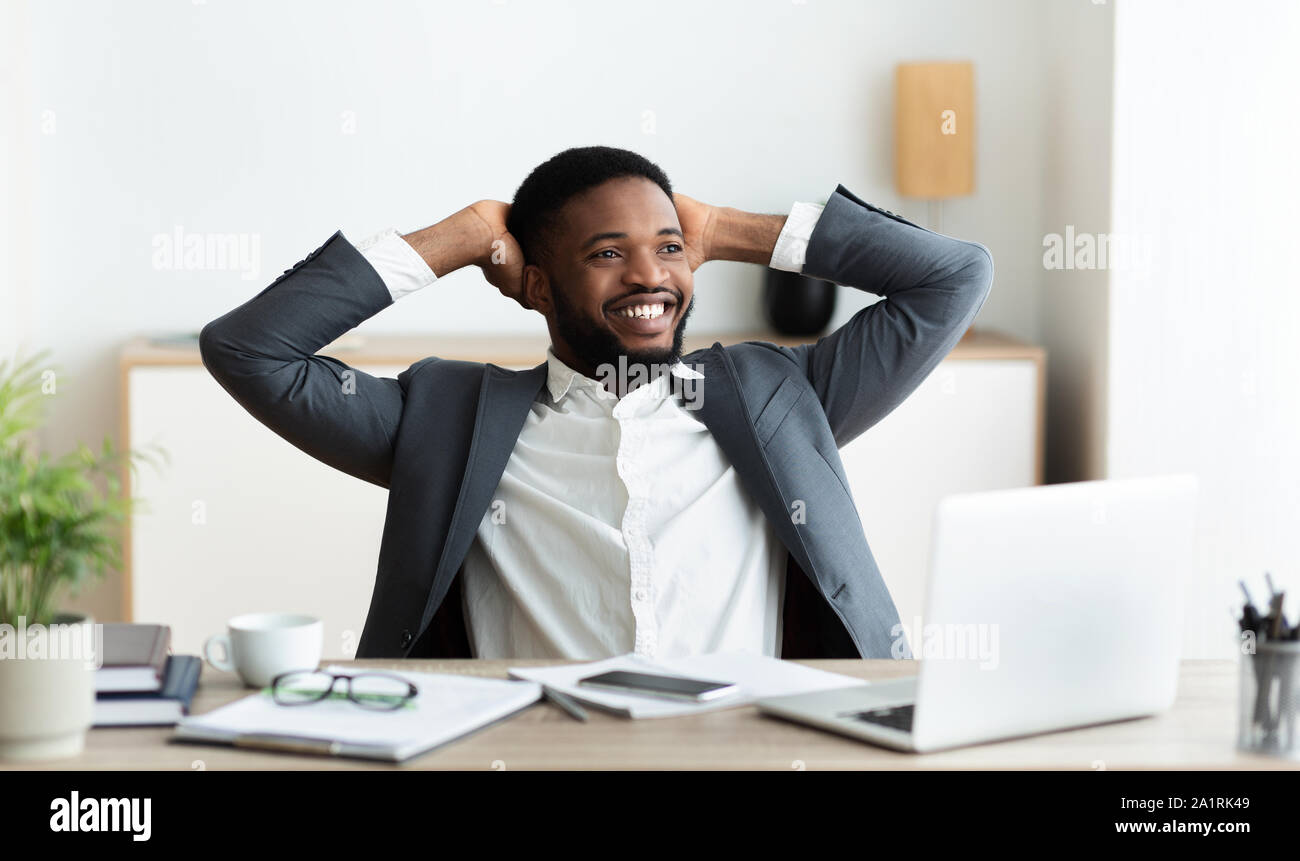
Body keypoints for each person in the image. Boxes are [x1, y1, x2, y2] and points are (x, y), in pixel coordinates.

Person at [199, 145, 994, 661]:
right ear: (538, 286)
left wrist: (724, 227)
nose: (651, 276)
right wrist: (465, 234)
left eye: (670, 248)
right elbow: (249, 349)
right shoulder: (446, 420)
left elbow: (954, 276)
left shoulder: (782, 396)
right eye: (608, 254)